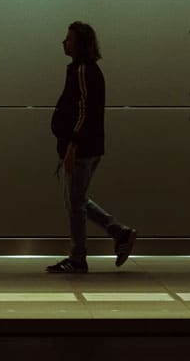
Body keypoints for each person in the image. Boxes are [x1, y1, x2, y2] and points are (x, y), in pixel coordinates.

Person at [46, 21, 136, 273]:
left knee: (75, 204)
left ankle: (78, 257)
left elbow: (86, 110)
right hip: (81, 146)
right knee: (77, 200)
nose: (63, 42)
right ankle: (119, 233)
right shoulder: (80, 69)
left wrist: (73, 145)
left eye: (69, 39)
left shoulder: (84, 70)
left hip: (82, 148)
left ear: (81, 44)